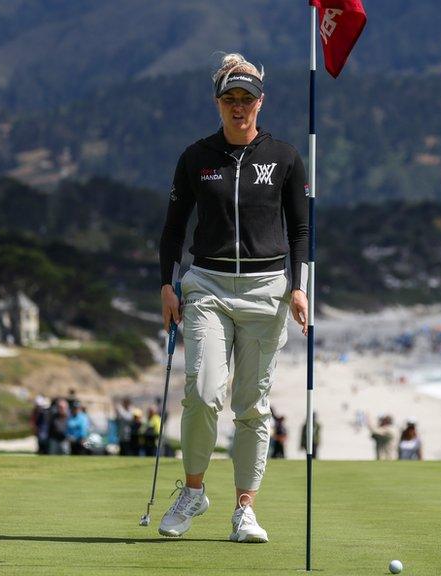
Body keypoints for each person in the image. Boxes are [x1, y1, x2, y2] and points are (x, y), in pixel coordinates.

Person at [156, 52, 309, 542]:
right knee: (202, 393)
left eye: (246, 99)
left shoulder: (284, 157)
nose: (238, 107)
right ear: (218, 102)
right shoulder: (196, 158)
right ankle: (194, 491)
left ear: (260, 102)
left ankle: (245, 509)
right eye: (230, 99)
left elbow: (302, 229)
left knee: (252, 405)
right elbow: (173, 228)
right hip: (208, 287)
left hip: (268, 290)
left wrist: (300, 287)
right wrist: (166, 282)